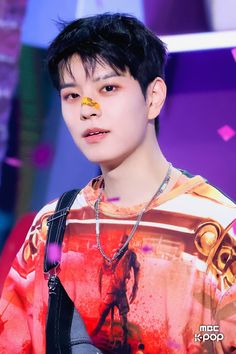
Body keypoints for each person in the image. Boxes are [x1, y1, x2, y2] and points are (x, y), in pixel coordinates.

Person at [0, 12, 235, 354]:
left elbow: (218, 338)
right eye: (72, 95)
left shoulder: (216, 229)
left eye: (108, 88)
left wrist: (194, 335)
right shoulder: (53, 227)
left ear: (153, 97)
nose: (88, 109)